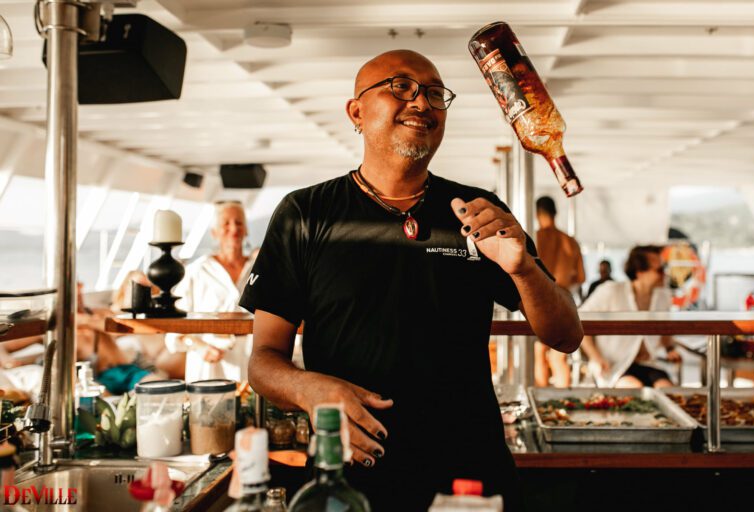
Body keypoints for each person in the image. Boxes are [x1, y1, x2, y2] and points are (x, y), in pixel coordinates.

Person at [239, 50, 582, 510]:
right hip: (353, 474)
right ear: (356, 112)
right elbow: (263, 360)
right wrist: (310, 389)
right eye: (401, 87)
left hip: (468, 477)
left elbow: (566, 335)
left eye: (436, 94)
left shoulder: (480, 211)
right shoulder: (305, 214)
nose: (422, 102)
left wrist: (523, 269)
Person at [166, 201, 256, 382]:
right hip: (208, 367)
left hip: (252, 361)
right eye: (226, 223)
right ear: (214, 232)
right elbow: (174, 328)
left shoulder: (261, 270)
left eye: (239, 222)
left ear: (246, 230)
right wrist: (198, 346)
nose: (234, 228)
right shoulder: (197, 271)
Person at [579, 245, 682, 388]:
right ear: (640, 272)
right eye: (659, 270)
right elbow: (580, 321)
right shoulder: (610, 290)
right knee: (634, 390)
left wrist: (670, 349)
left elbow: (665, 334)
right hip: (615, 366)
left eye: (665, 268)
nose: (665, 274)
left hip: (651, 363)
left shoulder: (663, 297)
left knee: (667, 390)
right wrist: (595, 357)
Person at [533, 195, 585, 387]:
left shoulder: (534, 239)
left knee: (539, 354)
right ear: (556, 212)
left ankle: (541, 399)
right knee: (559, 357)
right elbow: (581, 277)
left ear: (537, 214)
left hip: (538, 301)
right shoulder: (570, 242)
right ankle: (563, 401)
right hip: (563, 300)